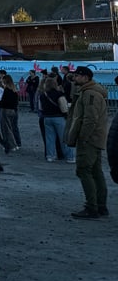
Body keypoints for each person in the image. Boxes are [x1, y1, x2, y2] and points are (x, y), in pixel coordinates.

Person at [66, 66, 109, 219]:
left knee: (84, 170)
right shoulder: (92, 91)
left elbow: (90, 119)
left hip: (89, 139)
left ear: (85, 77)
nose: (75, 78)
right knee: (96, 172)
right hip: (95, 138)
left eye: (77, 76)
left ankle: (92, 207)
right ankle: (101, 205)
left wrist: (83, 137)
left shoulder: (90, 94)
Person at [39, 75, 73, 162]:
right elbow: (63, 107)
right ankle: (69, 157)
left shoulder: (43, 95)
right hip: (59, 117)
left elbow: (41, 107)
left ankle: (50, 156)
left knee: (49, 138)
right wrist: (66, 114)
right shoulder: (59, 94)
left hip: (47, 117)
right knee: (63, 138)